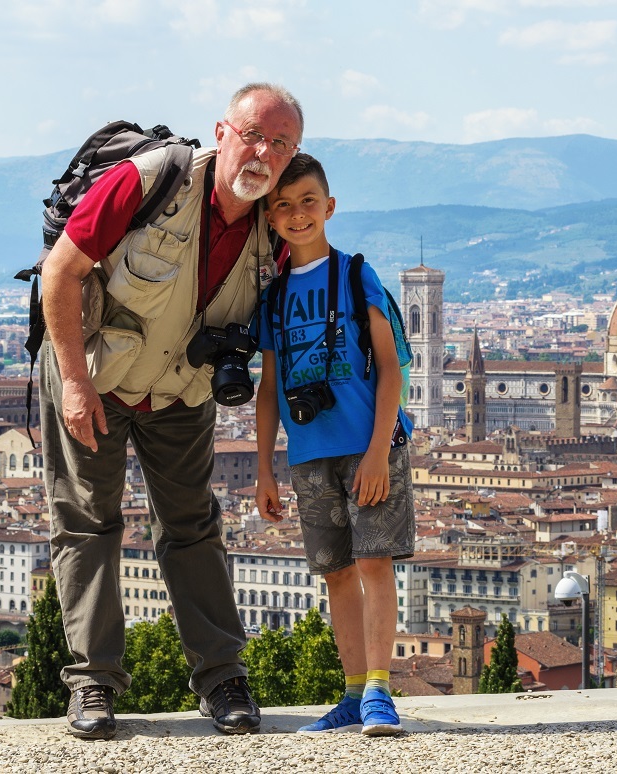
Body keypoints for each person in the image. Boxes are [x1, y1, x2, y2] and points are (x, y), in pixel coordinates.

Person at [40, 83, 303, 739]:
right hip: (95, 376)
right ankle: (93, 685)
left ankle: (224, 679)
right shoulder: (153, 180)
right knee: (87, 523)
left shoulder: (277, 223)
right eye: (253, 135)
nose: (263, 152)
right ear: (222, 131)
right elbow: (60, 272)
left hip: (181, 389)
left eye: (281, 143)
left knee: (192, 524)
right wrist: (73, 381)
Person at [255, 153, 414, 736]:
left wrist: (378, 451)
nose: (297, 214)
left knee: (374, 562)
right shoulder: (271, 298)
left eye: (307, 202)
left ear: (329, 207)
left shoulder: (355, 275)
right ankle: (351, 694)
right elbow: (268, 389)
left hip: (370, 446)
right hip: (309, 453)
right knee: (337, 573)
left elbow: (392, 371)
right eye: (283, 205)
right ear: (270, 216)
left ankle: (378, 691)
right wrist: (265, 468)